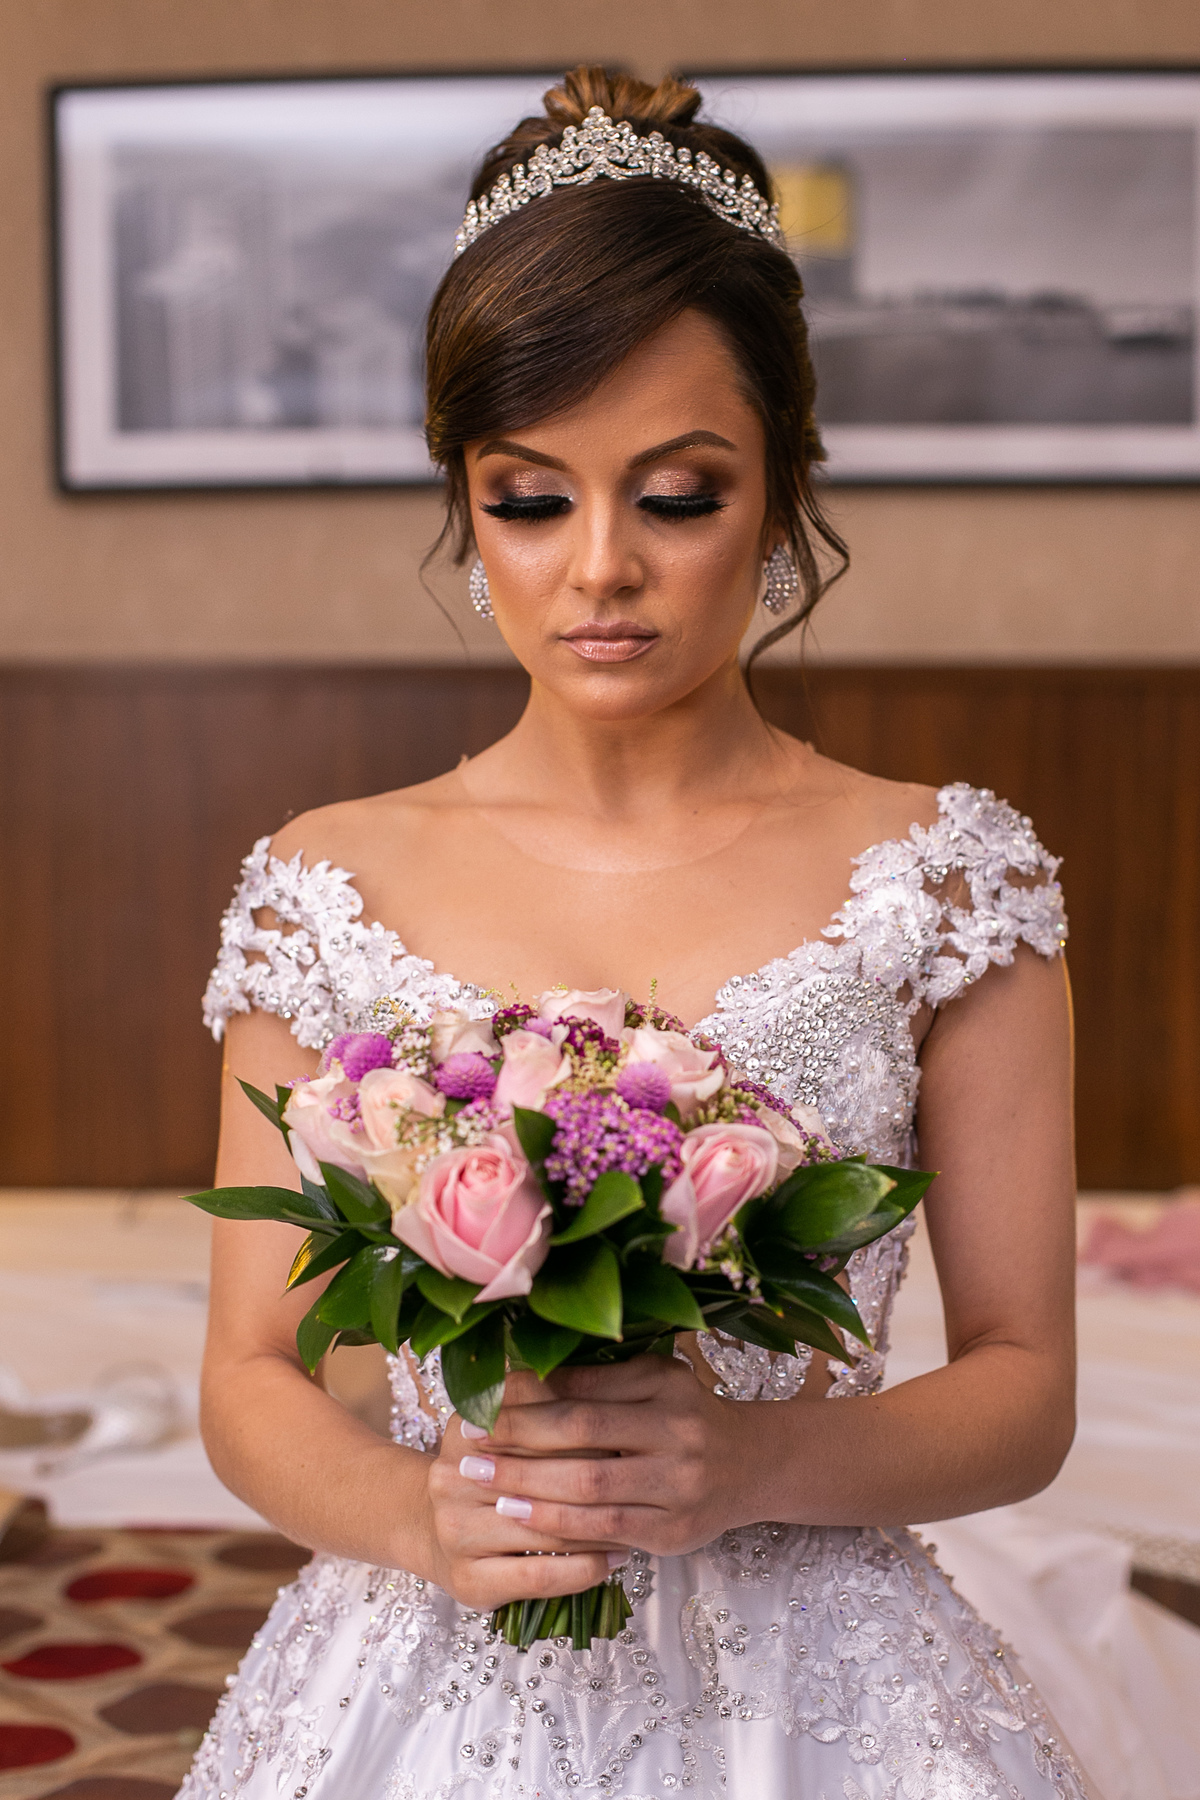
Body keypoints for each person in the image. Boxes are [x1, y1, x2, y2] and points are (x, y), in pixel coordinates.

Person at [183, 69, 1091, 1800]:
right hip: (426, 1662)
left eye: (677, 496)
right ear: (468, 502)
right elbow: (246, 1376)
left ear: (783, 489)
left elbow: (1026, 1385)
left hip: (824, 1687)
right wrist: (420, 1511)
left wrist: (746, 1462)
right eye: (532, 500)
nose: (601, 568)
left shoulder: (949, 885)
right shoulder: (324, 886)